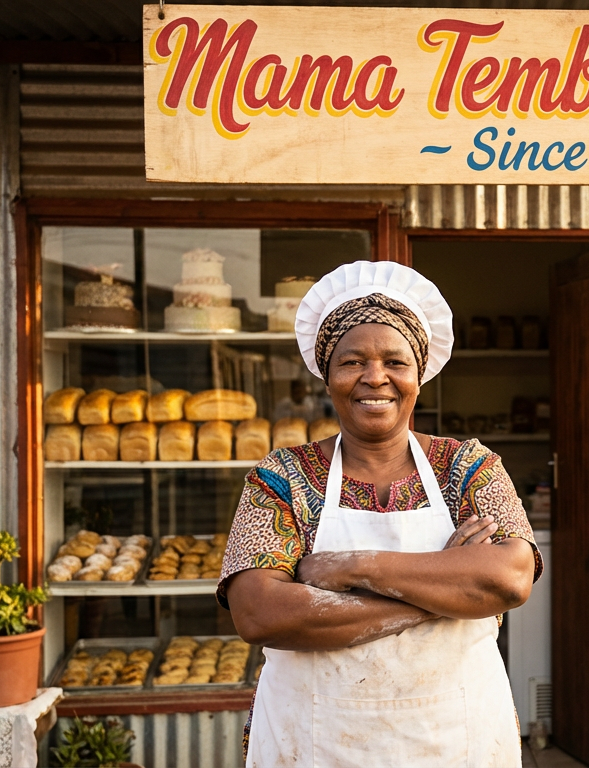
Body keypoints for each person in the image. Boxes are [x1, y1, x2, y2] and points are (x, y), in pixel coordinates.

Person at [219, 262, 538, 767]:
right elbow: (259, 613)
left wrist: (349, 567)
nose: (375, 378)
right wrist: (445, 592)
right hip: (317, 743)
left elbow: (511, 579)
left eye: (395, 361)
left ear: (418, 375)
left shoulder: (468, 467)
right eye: (352, 362)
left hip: (456, 738)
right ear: (327, 376)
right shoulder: (283, 477)